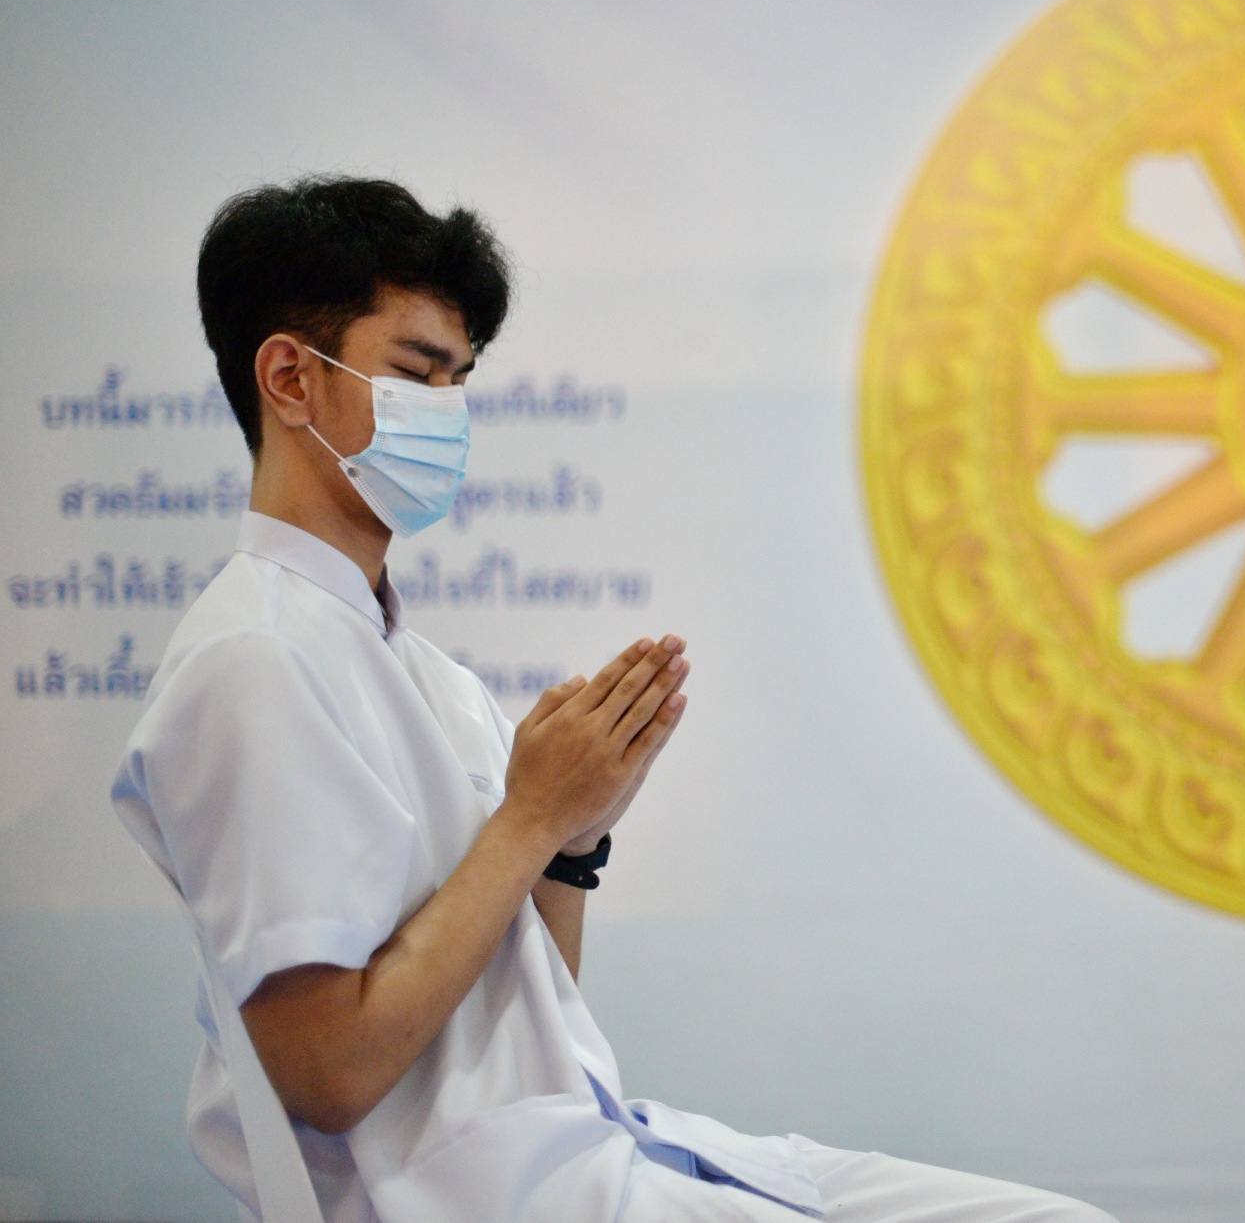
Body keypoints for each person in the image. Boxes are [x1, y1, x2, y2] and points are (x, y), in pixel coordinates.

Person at [111, 177, 1115, 1223]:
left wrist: (570, 842)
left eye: (460, 380)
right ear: (290, 379)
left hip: (592, 1154)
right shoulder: (252, 662)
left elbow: (524, 1013)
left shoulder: (423, 672)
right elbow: (325, 1074)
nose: (447, 412)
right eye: (415, 373)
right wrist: (530, 818)